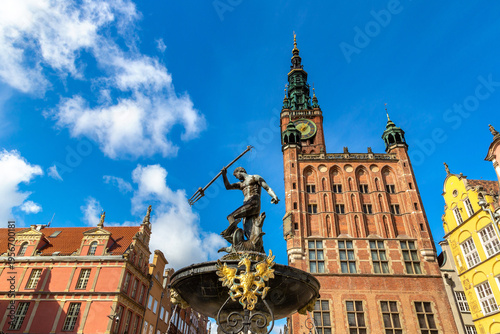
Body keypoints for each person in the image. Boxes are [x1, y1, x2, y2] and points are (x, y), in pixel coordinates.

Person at [221, 166, 279, 240]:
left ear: (240, 171)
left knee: (230, 217)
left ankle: (235, 236)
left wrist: (274, 196)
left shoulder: (255, 177)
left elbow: (267, 188)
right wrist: (224, 175)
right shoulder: (240, 184)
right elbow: (228, 187)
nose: (236, 178)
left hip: (253, 203)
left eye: (235, 175)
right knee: (249, 234)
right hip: (246, 206)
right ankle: (243, 243)